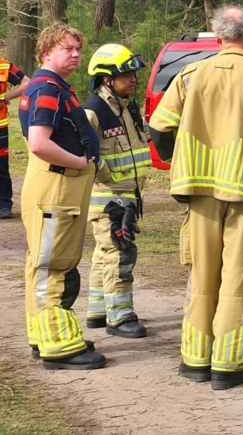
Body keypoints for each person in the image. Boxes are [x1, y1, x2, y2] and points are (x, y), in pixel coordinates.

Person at [150, 5, 243, 390]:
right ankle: (228, 367)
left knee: (201, 277)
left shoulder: (189, 73)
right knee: (239, 280)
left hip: (198, 193)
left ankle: (195, 360)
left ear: (217, 35)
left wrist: (177, 162)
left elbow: (160, 128)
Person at [19, 24, 109, 369]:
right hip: (57, 188)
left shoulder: (53, 86)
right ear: (46, 53)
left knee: (44, 265)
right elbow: (39, 143)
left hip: (61, 188)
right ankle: (58, 346)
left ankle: (44, 335)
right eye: (67, 48)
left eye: (77, 49)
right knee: (53, 267)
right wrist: (80, 162)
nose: (75, 54)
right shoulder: (45, 88)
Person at [82, 44, 151, 339]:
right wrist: (110, 179)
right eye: (125, 74)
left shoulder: (126, 107)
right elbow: (87, 154)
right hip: (108, 199)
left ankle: (98, 310)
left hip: (128, 196)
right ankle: (120, 316)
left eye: (134, 73)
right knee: (119, 253)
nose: (133, 79)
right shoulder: (93, 111)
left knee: (104, 253)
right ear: (106, 79)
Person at [0, 57, 28, 218]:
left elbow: (27, 83)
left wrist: (8, 96)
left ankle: (4, 205)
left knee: (1, 167)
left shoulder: (4, 65)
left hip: (0, 126)